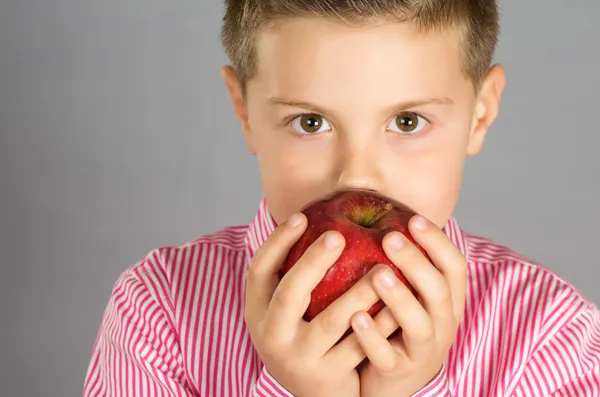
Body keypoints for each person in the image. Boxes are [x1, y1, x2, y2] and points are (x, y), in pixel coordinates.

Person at [83, 0, 600, 396]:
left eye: (407, 121)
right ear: (245, 113)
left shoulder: (548, 334)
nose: (358, 175)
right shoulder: (161, 313)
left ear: (480, 114)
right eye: (310, 122)